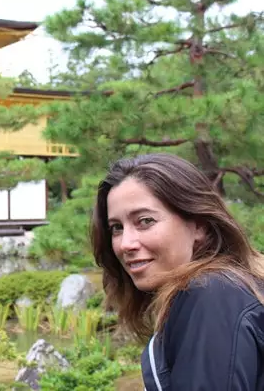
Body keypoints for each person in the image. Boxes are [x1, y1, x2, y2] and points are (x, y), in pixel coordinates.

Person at [91, 153, 264, 390]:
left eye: (145, 221)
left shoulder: (211, 296)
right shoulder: (233, 290)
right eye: (117, 228)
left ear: (199, 226)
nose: (125, 244)